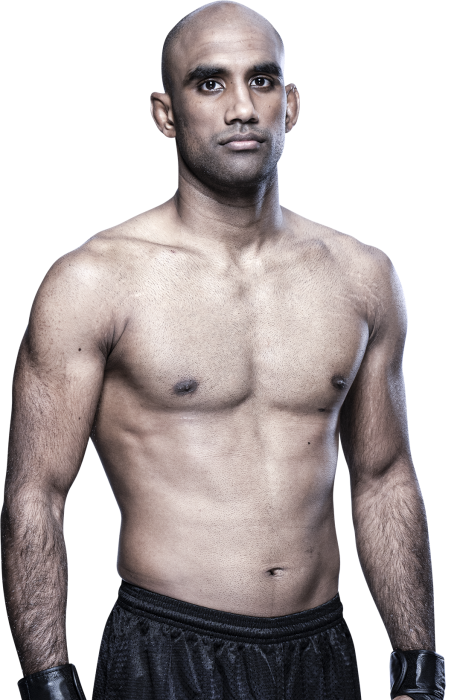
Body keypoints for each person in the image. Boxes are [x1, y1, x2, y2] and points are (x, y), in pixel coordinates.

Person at [1, 2, 446, 699]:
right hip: (167, 648)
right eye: (210, 83)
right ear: (165, 114)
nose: (242, 108)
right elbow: (36, 496)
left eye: (262, 81)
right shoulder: (94, 282)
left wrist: (418, 667)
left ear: (290, 105)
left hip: (321, 650)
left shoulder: (360, 276)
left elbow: (385, 476)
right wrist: (48, 685)